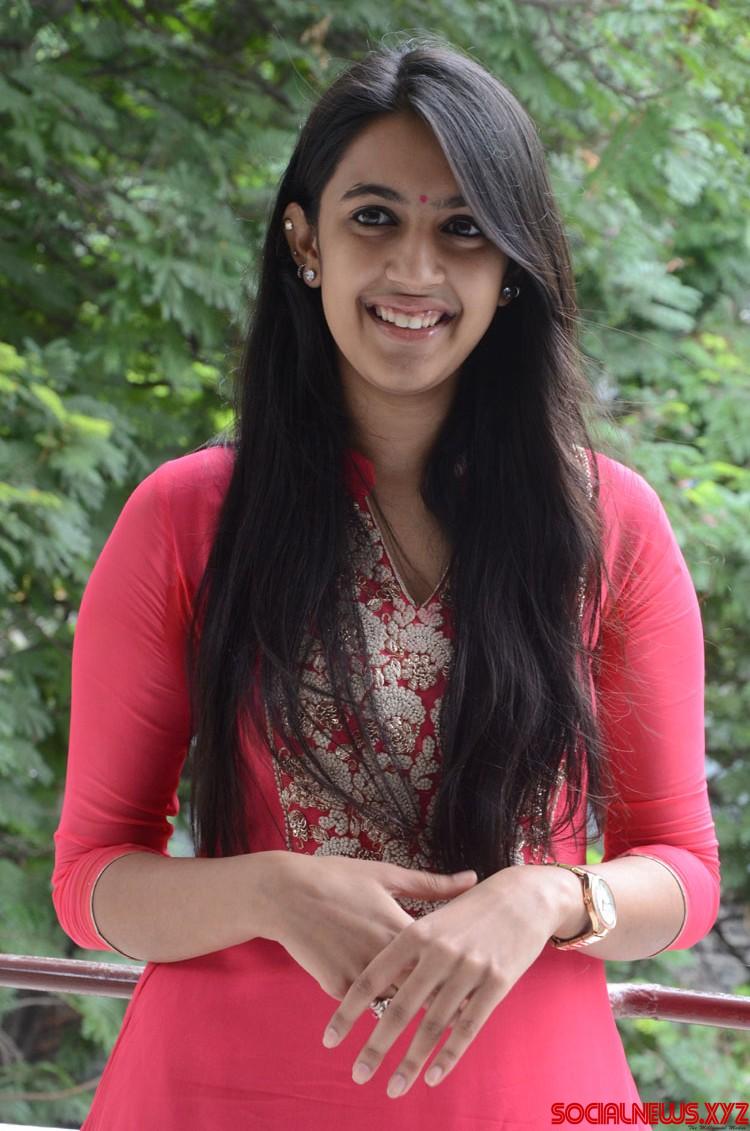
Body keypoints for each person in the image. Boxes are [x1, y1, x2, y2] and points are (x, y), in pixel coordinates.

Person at [51, 34, 720, 1131]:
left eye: (463, 228)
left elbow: (685, 873)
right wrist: (268, 888)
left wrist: (553, 894)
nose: (416, 268)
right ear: (305, 240)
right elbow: (89, 883)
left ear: (510, 267)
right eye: (375, 217)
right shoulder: (186, 519)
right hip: (217, 1096)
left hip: (523, 1100)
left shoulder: (609, 527)